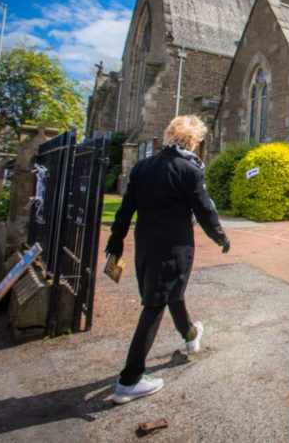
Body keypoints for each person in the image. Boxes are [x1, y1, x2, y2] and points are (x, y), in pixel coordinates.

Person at [106, 115, 230, 404]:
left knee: (172, 292)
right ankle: (129, 380)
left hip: (146, 244)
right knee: (155, 304)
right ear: (191, 141)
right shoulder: (188, 169)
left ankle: (189, 335)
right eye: (197, 142)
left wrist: (116, 241)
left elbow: (125, 209)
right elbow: (204, 209)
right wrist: (221, 237)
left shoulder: (143, 166)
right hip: (174, 246)